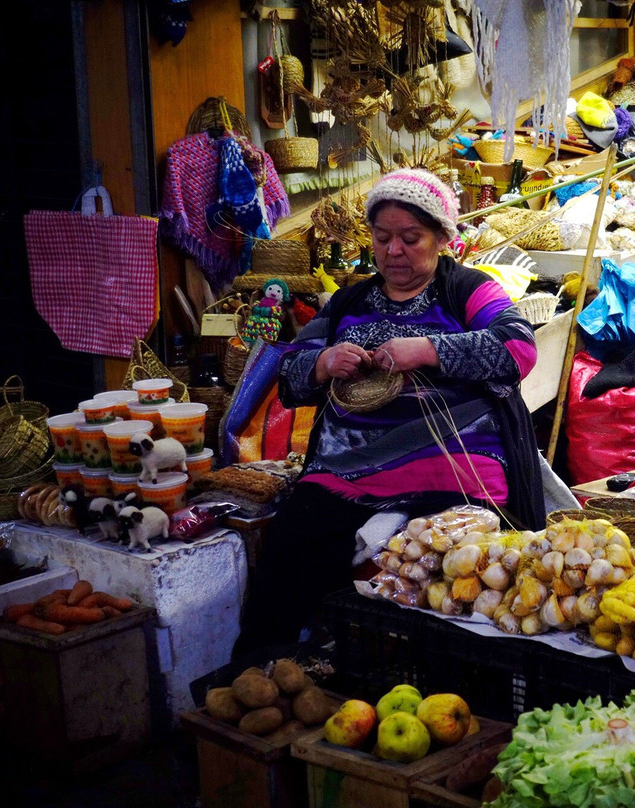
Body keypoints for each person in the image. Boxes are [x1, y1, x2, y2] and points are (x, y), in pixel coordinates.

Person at [232, 168, 545, 657]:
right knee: (291, 545)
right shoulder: (349, 302)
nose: (394, 251)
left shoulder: (468, 290)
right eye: (382, 238)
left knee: (455, 575)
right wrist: (322, 362)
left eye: (410, 238)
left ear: (442, 237)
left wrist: (428, 349)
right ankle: (266, 668)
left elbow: (519, 348)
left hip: (455, 470)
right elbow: (290, 375)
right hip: (347, 470)